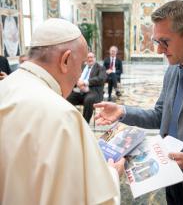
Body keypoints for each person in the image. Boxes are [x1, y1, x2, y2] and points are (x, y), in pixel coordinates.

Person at [95, 0, 183, 205]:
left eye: (165, 42)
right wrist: (122, 111)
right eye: (156, 42)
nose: (159, 50)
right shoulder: (173, 70)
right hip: (171, 179)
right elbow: (160, 116)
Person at [0, 18, 125, 205]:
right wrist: (113, 173)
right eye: (81, 64)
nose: (79, 73)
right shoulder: (63, 116)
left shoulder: (5, 86)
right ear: (65, 60)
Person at [67, 52, 106, 123]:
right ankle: (70, 120)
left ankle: (85, 123)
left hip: (93, 92)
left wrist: (85, 82)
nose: (89, 59)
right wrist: (77, 83)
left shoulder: (100, 68)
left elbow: (101, 79)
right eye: (88, 57)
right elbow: (75, 77)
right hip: (80, 92)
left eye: (91, 57)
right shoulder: (82, 67)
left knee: (89, 99)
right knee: (68, 98)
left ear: (95, 58)